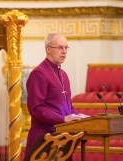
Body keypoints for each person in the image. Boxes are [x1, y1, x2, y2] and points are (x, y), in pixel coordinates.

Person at [24, 33, 89, 161]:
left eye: (66, 48)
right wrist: (63, 119)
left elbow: (68, 106)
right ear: (48, 49)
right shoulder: (38, 73)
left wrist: (80, 118)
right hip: (44, 137)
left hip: (64, 137)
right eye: (60, 48)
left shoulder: (63, 74)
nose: (64, 52)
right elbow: (36, 109)